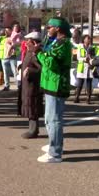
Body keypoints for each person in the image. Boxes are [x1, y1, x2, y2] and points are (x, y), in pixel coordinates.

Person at [36, 17, 72, 163]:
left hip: (57, 85)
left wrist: (38, 52)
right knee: (48, 119)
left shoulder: (63, 44)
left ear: (58, 28)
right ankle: (54, 143)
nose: (47, 29)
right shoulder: (55, 42)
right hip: (50, 84)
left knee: (54, 119)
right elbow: (48, 55)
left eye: (49, 26)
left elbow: (51, 63)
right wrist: (41, 48)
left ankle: (55, 152)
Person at [20, 32, 43, 139]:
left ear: (33, 42)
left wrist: (30, 70)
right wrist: (22, 66)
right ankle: (32, 129)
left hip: (33, 86)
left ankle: (33, 130)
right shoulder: (31, 51)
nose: (25, 42)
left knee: (32, 105)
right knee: (29, 105)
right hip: (28, 84)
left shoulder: (37, 53)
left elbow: (41, 69)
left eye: (28, 40)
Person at [74, 35, 95, 104]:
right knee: (80, 83)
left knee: (89, 83)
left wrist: (91, 59)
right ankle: (77, 97)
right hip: (82, 67)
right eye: (87, 38)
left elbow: (95, 56)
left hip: (89, 67)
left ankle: (88, 98)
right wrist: (84, 59)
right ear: (84, 40)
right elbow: (78, 57)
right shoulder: (80, 47)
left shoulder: (92, 47)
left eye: (89, 38)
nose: (89, 40)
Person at [2, 23, 22, 91]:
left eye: (8, 30)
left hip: (12, 56)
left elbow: (19, 44)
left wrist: (13, 44)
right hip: (4, 57)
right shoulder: (3, 38)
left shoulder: (18, 35)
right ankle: (6, 86)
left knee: (15, 72)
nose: (6, 32)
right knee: (5, 72)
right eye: (5, 31)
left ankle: (18, 85)